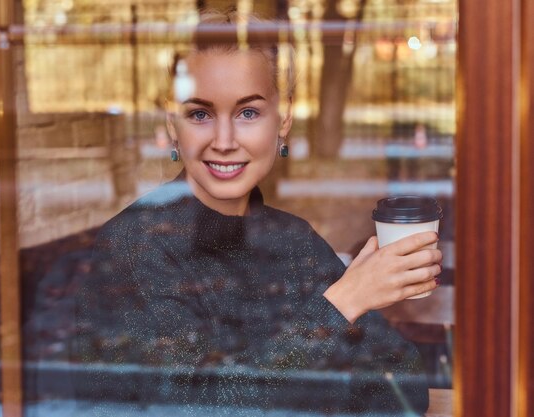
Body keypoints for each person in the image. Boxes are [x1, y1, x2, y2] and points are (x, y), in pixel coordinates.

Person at [75, 9, 442, 416]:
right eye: (200, 114)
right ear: (173, 123)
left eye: (248, 113)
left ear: (282, 121)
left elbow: (403, 386)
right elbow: (196, 409)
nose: (225, 141)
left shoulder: (294, 239)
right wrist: (341, 304)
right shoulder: (133, 247)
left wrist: (284, 381)